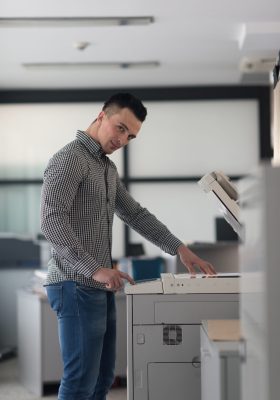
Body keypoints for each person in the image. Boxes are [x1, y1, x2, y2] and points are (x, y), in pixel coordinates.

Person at [40, 92, 216, 400]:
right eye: (120, 127)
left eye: (131, 136)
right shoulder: (70, 159)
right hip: (75, 284)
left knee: (103, 379)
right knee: (80, 380)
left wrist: (179, 248)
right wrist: (94, 269)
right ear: (102, 115)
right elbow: (51, 222)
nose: (123, 139)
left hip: (98, 286)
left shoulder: (106, 168)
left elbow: (135, 214)